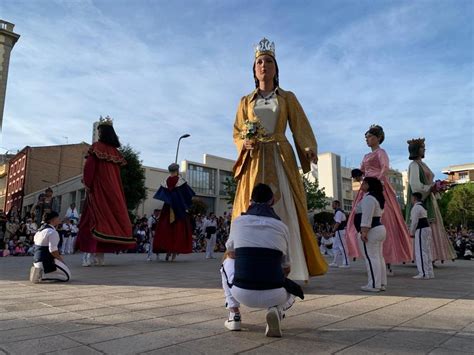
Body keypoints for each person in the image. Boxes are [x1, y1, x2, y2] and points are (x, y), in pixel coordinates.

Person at [232, 38, 327, 281]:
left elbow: (300, 126)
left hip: (280, 155)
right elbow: (237, 131)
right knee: (251, 211)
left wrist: (308, 148)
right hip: (254, 159)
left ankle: (292, 270)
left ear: (276, 68)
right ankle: (250, 270)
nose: (264, 65)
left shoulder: (287, 98)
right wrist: (245, 143)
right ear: (254, 70)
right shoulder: (245, 101)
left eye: (269, 61)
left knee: (285, 209)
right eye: (260, 62)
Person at [221, 183, 304, 337]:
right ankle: (277, 311)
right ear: (272, 201)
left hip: (242, 292)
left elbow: (230, 252)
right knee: (291, 284)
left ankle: (234, 315)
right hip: (274, 293)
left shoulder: (238, 222)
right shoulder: (281, 226)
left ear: (250, 201)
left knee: (226, 263)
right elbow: (286, 267)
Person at [346, 125, 412, 275]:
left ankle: (387, 260)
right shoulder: (365, 156)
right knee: (358, 218)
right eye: (366, 137)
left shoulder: (381, 152)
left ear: (378, 138)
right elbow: (362, 170)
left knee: (386, 219)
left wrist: (378, 182)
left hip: (378, 186)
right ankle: (371, 257)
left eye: (369, 137)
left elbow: (385, 168)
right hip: (368, 186)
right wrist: (358, 174)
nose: (367, 140)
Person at [75, 116, 135, 266]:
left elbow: (89, 168)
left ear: (102, 132)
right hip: (114, 192)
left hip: (98, 190)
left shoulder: (97, 147)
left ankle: (88, 256)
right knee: (107, 222)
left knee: (91, 221)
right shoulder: (115, 152)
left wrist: (88, 184)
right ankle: (99, 256)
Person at [405, 138, 456, 262]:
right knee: (425, 226)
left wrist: (436, 187)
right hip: (422, 200)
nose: (424, 149)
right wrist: (431, 187)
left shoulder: (422, 164)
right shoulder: (414, 165)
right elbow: (415, 185)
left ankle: (431, 256)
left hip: (429, 199)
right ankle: (425, 256)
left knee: (431, 227)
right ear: (416, 150)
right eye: (422, 147)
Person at [152, 163, 195, 261]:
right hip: (178, 208)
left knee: (166, 228)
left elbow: (162, 194)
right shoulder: (180, 181)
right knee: (178, 229)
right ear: (177, 170)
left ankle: (168, 252)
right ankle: (174, 254)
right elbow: (188, 195)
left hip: (167, 208)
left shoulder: (165, 181)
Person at [355, 177, 387, 292]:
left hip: (371, 230)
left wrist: (364, 231)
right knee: (378, 257)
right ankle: (381, 283)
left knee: (371, 258)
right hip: (378, 228)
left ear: (368, 185)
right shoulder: (377, 198)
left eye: (364, 182)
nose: (361, 184)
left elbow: (366, 216)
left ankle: (373, 285)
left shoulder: (369, 198)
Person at [30, 211, 71, 283]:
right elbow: (53, 250)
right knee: (67, 276)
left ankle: (39, 271)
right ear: (53, 220)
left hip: (37, 260)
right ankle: (42, 276)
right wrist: (60, 259)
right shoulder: (52, 232)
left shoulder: (39, 231)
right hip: (45, 262)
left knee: (64, 270)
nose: (59, 219)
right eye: (58, 218)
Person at [409, 192, 434, 280]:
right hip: (426, 228)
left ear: (414, 198)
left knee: (420, 252)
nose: (411, 200)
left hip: (420, 229)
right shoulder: (423, 206)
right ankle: (429, 272)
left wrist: (411, 232)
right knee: (427, 251)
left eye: (412, 198)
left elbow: (414, 222)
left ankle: (423, 273)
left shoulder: (416, 207)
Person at [329, 200, 349, 268]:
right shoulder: (338, 212)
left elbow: (338, 222)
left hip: (340, 231)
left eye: (333, 204)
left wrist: (333, 230)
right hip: (338, 232)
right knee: (335, 247)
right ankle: (335, 262)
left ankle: (346, 263)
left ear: (337, 204)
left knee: (342, 247)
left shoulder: (339, 212)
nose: (332, 205)